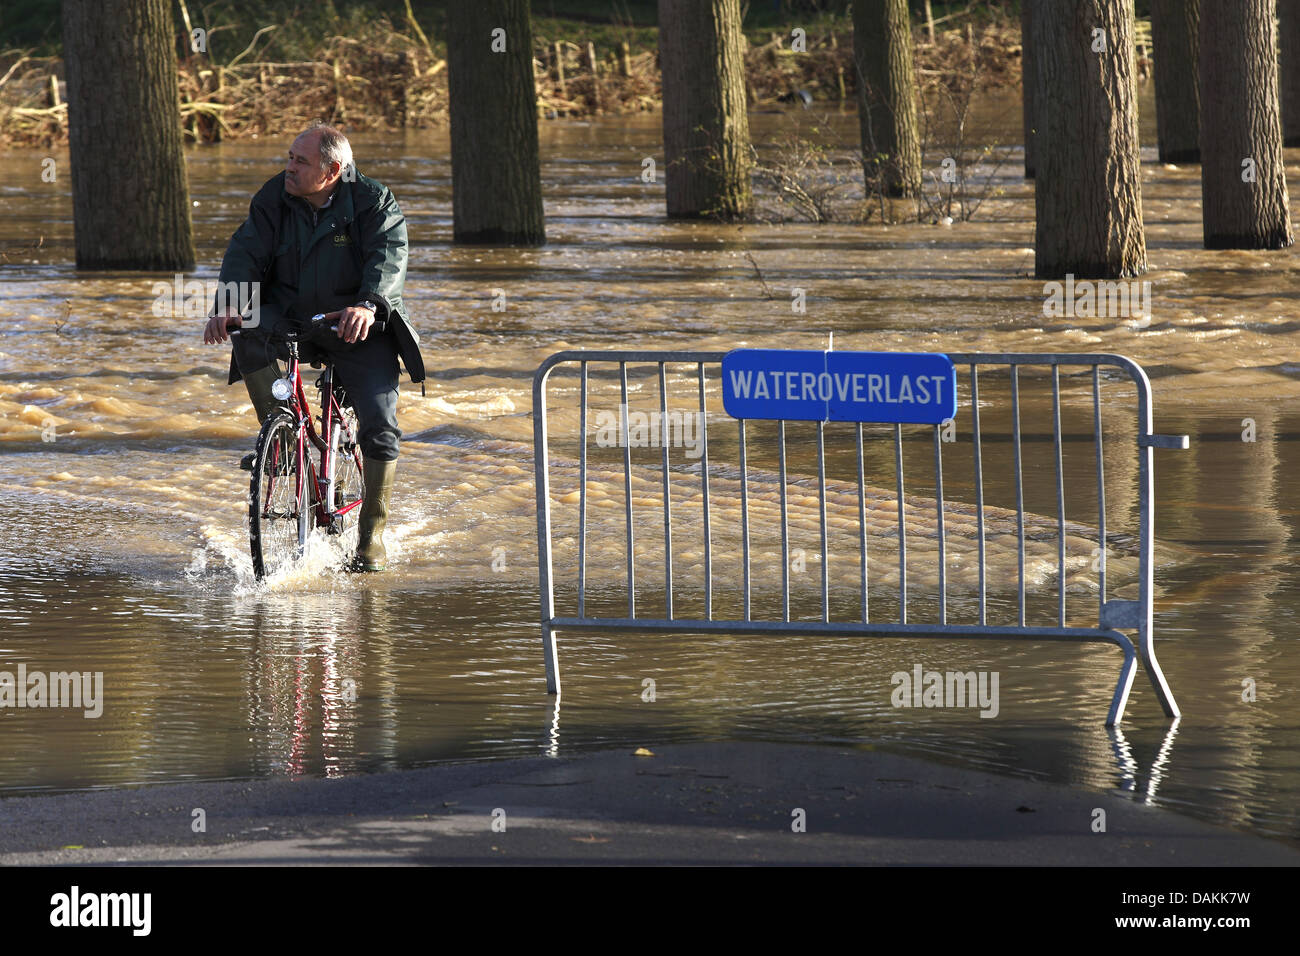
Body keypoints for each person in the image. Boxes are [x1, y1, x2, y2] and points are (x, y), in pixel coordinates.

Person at [202, 123, 424, 572]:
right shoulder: (273, 198)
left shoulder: (373, 200)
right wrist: (227, 305)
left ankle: (371, 536)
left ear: (333, 170)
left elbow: (388, 256)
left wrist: (367, 305)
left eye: (300, 162)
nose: (289, 167)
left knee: (380, 426)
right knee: (245, 328)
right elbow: (245, 250)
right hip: (292, 315)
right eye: (289, 157)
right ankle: (280, 440)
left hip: (359, 325)